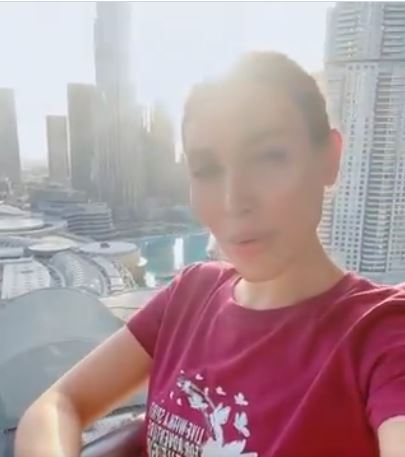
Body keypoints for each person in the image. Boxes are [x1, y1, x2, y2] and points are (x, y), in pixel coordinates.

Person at [15, 52, 405, 457]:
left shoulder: (382, 334)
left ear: (329, 159)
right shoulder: (191, 294)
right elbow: (57, 405)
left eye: (268, 157)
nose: (233, 200)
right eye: (206, 169)